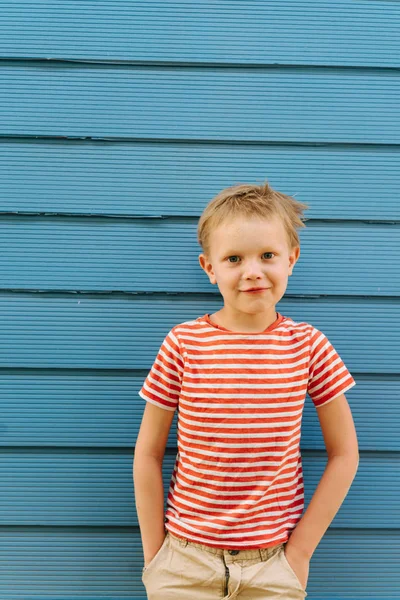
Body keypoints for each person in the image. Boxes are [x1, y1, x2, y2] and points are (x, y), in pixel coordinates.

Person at [133, 180, 359, 599]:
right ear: (209, 268)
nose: (253, 270)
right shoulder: (183, 343)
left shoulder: (308, 345)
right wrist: (156, 558)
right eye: (234, 258)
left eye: (267, 255)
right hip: (183, 562)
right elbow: (148, 452)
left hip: (272, 565)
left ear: (291, 259)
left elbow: (345, 453)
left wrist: (300, 554)